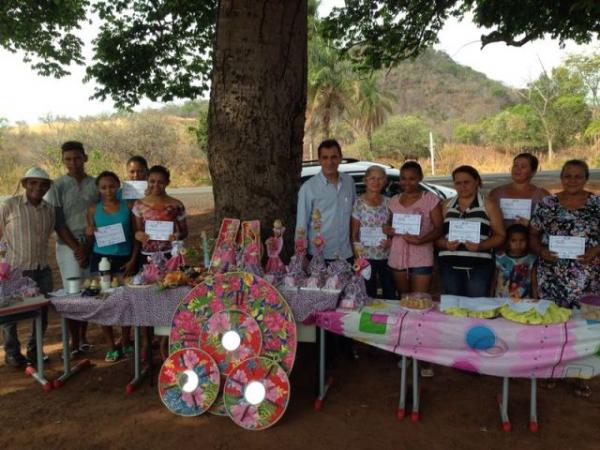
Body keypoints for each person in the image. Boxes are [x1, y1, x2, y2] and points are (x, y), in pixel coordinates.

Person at [530, 159, 600, 398]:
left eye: (578, 176)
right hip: (552, 275)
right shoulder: (547, 203)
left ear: (585, 178)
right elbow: (533, 235)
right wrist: (540, 251)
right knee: (553, 324)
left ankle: (581, 373)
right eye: (567, 176)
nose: (572, 180)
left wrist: (595, 250)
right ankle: (553, 370)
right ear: (561, 177)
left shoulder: (597, 203)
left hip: (588, 276)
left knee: (586, 326)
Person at [45, 141, 98, 356]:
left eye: (77, 158)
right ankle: (73, 340)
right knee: (71, 293)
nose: (73, 163)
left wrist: (87, 248)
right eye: (68, 159)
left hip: (93, 244)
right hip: (68, 246)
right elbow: (58, 223)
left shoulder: (96, 184)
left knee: (88, 290)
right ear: (63, 161)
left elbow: (101, 218)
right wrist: (77, 249)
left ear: (85, 158)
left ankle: (84, 337)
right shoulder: (57, 187)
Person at [0, 168, 55, 367]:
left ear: (48, 187)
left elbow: (47, 236)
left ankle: (35, 351)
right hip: (14, 271)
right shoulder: (9, 206)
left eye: (42, 184)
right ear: (24, 184)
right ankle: (13, 353)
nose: (37, 188)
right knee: (10, 316)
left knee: (41, 313)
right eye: (32, 183)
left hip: (41, 270)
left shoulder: (49, 210)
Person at [85, 171, 139, 362]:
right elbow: (90, 236)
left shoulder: (129, 207)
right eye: (103, 187)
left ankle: (125, 341)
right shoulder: (93, 209)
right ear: (98, 189)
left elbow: (137, 235)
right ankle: (111, 345)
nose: (108, 190)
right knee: (103, 302)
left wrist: (133, 260)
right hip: (101, 260)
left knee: (126, 301)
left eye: (112, 186)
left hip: (124, 259)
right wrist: (89, 233)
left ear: (118, 186)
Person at [436, 165, 505, 297]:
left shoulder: (489, 205)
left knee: (476, 305)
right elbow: (436, 235)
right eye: (458, 183)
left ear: (477, 181)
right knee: (453, 305)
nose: (462, 186)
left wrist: (481, 246)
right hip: (449, 265)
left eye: (466, 182)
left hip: (479, 265)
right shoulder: (445, 205)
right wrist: (445, 244)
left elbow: (500, 235)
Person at [385, 161, 443, 296]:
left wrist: (421, 240)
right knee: (404, 298)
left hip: (421, 257)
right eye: (403, 178)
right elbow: (390, 224)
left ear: (420, 178)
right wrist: (387, 229)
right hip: (397, 257)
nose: (407, 182)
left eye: (412, 179)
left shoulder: (430, 199)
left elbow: (439, 228)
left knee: (419, 300)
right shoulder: (394, 200)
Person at [296, 139, 356, 261]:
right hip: (320, 256)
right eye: (325, 157)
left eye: (334, 157)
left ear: (340, 158)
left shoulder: (349, 182)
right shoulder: (308, 188)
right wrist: (301, 257)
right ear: (319, 160)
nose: (330, 162)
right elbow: (301, 225)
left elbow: (355, 217)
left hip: (346, 253)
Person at [351, 165, 395, 299]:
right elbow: (354, 234)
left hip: (386, 255)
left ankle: (391, 319)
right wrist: (358, 257)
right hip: (365, 257)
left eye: (380, 178)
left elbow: (394, 229)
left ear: (385, 181)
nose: (376, 182)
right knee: (368, 294)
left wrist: (390, 241)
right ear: (365, 180)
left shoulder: (390, 202)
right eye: (372, 178)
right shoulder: (358, 203)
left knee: (389, 292)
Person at [132, 165, 188, 257]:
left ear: (167, 182)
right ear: (147, 181)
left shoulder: (177, 205)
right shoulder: (139, 204)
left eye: (161, 182)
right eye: (152, 181)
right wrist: (138, 235)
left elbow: (184, 232)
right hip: (147, 254)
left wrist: (177, 236)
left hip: (170, 253)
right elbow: (137, 231)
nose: (156, 185)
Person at [488, 153, 550, 228]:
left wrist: (531, 225)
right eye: (515, 165)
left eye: (523, 167)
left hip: (531, 239)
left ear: (533, 172)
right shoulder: (496, 193)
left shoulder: (543, 195)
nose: (517, 169)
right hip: (502, 239)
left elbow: (551, 224)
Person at [492, 224, 538, 299]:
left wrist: (536, 300)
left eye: (522, 240)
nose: (518, 244)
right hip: (501, 301)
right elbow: (494, 281)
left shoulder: (531, 259)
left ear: (527, 241)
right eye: (513, 240)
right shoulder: (499, 258)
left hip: (524, 302)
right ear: (507, 242)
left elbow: (534, 284)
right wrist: (491, 300)